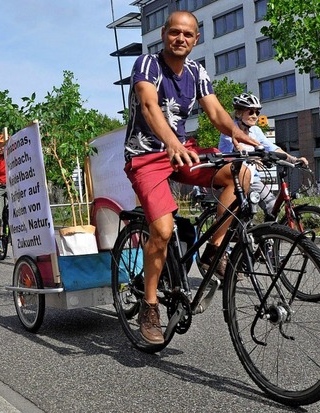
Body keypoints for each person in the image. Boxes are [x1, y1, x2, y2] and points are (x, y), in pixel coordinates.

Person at [123, 10, 262, 345]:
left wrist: (236, 132)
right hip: (146, 156)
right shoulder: (148, 65)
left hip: (183, 152)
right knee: (163, 229)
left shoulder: (197, 72)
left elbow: (214, 111)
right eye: (175, 32)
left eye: (187, 34)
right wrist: (170, 142)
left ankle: (213, 251)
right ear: (164, 35)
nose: (180, 39)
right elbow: (148, 107)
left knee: (239, 174)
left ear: (196, 39)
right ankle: (151, 305)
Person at [219, 93, 308, 218]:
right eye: (250, 112)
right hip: (234, 178)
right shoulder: (230, 129)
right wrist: (252, 157)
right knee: (240, 214)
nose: (255, 116)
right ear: (239, 113)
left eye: (257, 112)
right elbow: (237, 149)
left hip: (253, 180)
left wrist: (294, 159)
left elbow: (272, 147)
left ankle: (267, 235)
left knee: (272, 206)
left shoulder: (256, 131)